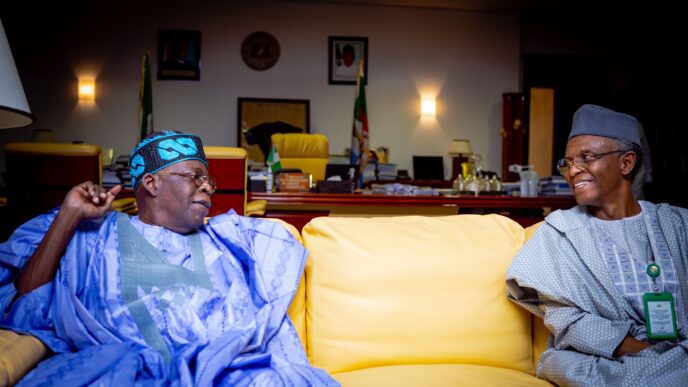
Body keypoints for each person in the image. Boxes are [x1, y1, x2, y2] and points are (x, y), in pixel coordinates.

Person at [0, 130, 339, 385]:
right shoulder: (96, 235)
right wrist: (69, 215)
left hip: (221, 372)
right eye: (195, 176)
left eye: (209, 180)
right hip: (120, 367)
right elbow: (24, 307)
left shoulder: (229, 240)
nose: (208, 187)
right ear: (151, 182)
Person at [506, 104, 688, 386]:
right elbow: (566, 319)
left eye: (586, 157)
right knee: (568, 366)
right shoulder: (559, 231)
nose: (573, 171)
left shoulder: (677, 223)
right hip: (602, 360)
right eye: (567, 162)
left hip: (681, 348)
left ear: (626, 163)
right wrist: (650, 356)